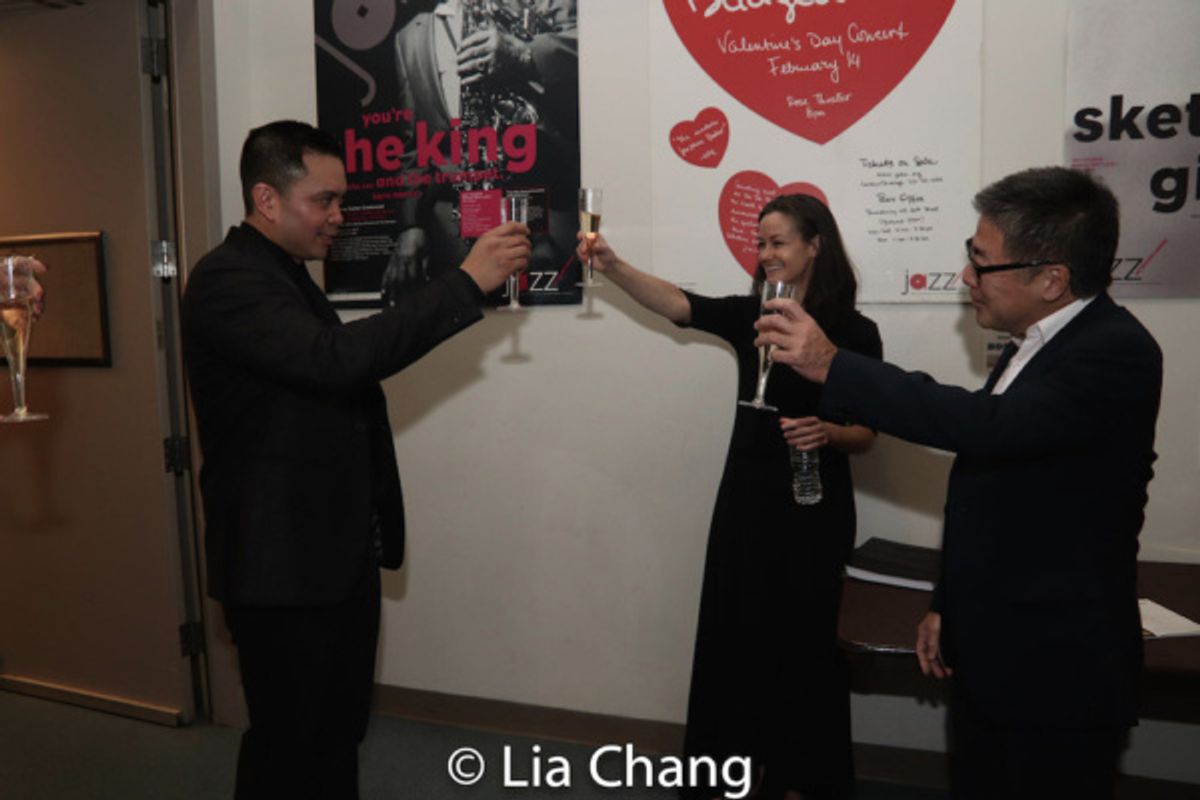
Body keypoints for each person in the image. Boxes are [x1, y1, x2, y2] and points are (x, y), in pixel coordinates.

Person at [757, 167, 1162, 798]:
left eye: (982, 263)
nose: (967, 279)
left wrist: (834, 365)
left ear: (1052, 277)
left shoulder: (1115, 352)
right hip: (992, 646)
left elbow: (986, 427)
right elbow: (987, 485)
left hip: (1055, 668)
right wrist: (949, 603)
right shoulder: (1036, 342)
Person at [181, 120, 529, 799]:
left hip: (328, 559)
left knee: (335, 738)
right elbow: (335, 362)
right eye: (324, 200)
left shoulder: (283, 273)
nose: (339, 218)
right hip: (279, 568)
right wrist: (463, 283)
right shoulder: (228, 278)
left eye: (342, 200)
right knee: (289, 749)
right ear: (267, 198)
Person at [580, 194, 881, 800]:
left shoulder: (853, 331)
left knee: (804, 646)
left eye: (779, 242)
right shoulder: (755, 314)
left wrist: (826, 431)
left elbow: (867, 433)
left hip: (811, 507)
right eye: (761, 243)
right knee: (737, 637)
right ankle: (738, 770)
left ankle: (802, 776)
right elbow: (679, 305)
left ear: (815, 244)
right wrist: (612, 266)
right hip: (746, 500)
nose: (766, 253)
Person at [382, 0, 578, 302]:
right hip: (455, 239)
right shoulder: (408, 37)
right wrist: (412, 225)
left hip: (543, 221)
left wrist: (524, 54)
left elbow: (592, 48)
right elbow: (413, 144)